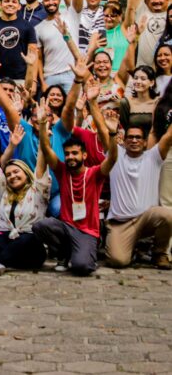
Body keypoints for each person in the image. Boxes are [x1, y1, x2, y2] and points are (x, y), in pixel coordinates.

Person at [33, 104, 118, 276]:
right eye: (68, 154)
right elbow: (46, 150)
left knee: (82, 267)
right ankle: (64, 253)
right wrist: (42, 125)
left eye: (75, 153)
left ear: (84, 155)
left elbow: (112, 159)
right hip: (66, 226)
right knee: (40, 226)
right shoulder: (62, 171)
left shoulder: (95, 173)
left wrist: (113, 134)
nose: (70, 157)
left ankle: (86, 253)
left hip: (87, 231)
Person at [0, 112, 51, 278]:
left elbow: (42, 163)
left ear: (26, 173)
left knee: (28, 239)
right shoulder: (5, 190)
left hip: (30, 249)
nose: (12, 176)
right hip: (7, 241)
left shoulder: (38, 190)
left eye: (16, 172)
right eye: (9, 174)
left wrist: (42, 134)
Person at [104, 123, 172, 269]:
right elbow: (103, 133)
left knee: (168, 215)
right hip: (121, 223)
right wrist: (93, 107)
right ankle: (133, 250)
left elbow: (168, 136)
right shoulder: (115, 155)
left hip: (146, 219)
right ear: (123, 141)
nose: (134, 140)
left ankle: (159, 254)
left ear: (145, 142)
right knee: (118, 261)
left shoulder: (154, 156)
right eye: (130, 137)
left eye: (138, 137)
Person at [0, 0, 38, 85]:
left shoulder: (27, 27)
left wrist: (33, 81)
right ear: (0, 5)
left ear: (19, 6)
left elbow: (33, 55)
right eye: (7, 1)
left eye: (14, 2)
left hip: (21, 79)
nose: (10, 4)